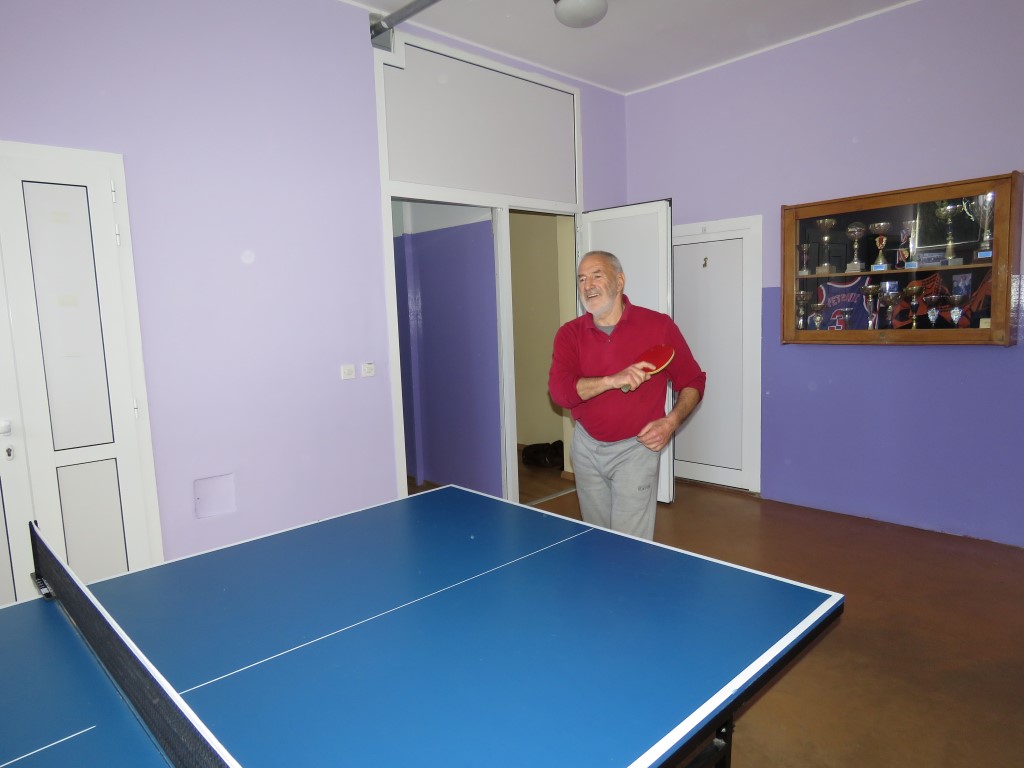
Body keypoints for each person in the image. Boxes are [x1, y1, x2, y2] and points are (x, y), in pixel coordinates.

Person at [548, 250, 706, 540]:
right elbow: (560, 393)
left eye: (597, 275)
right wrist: (611, 380)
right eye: (582, 279)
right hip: (586, 448)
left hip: (636, 449)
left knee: (628, 543)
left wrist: (671, 422)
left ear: (619, 281)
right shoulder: (569, 334)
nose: (588, 285)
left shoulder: (659, 326)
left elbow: (693, 381)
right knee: (596, 535)